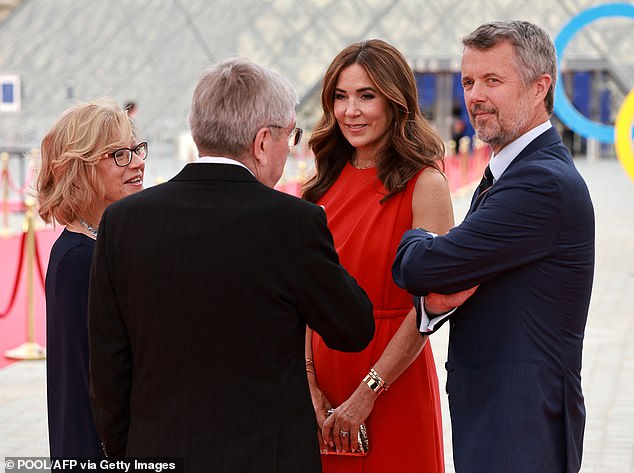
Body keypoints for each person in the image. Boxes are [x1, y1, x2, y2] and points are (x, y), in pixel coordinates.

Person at [87, 58, 374, 472]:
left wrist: (128, 454)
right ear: (261, 142)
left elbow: (107, 372)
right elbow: (354, 328)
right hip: (268, 457)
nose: (288, 148)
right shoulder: (293, 223)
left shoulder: (123, 221)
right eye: (288, 136)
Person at [392, 21, 595, 473]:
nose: (475, 95)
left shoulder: (540, 183)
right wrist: (440, 290)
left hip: (518, 430)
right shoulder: (514, 173)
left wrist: (417, 238)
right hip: (505, 421)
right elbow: (454, 276)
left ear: (540, 87)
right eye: (468, 81)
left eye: (492, 80)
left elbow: (422, 268)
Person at [302, 39, 453, 472]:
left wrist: (369, 391)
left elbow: (434, 301)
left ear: (395, 102)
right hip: (322, 386)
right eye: (340, 96)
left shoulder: (426, 184)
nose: (351, 111)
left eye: (366, 96)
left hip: (395, 381)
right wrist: (307, 383)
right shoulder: (321, 186)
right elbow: (300, 298)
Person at [36, 98, 146, 457]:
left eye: (136, 149)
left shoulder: (100, 244)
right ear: (81, 168)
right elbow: (88, 383)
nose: (138, 162)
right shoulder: (78, 260)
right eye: (120, 155)